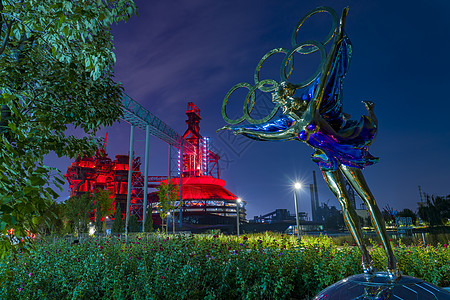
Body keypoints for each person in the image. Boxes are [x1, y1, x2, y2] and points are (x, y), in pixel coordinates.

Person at [219, 7, 400, 280]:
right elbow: (265, 134)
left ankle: (391, 258)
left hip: (343, 148)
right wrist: (239, 128)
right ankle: (364, 254)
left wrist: (338, 37)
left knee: (368, 199)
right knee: (343, 201)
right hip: (326, 159)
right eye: (285, 103)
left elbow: (327, 72)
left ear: (295, 97)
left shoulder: (313, 105)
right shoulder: (291, 127)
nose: (289, 104)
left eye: (290, 99)